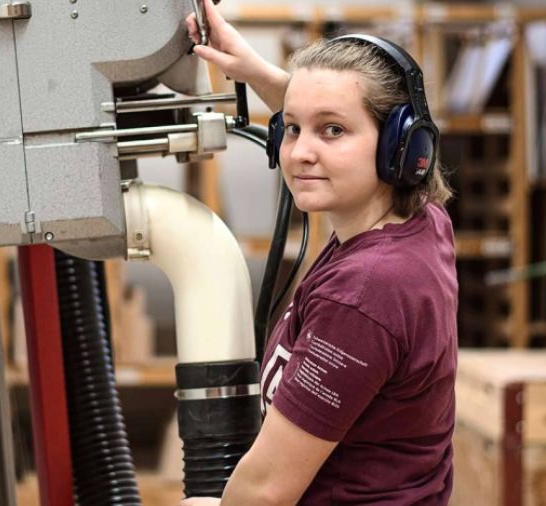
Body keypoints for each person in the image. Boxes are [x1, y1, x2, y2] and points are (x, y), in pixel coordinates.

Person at [181, 2, 458, 505]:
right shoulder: (421, 222)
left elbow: (266, 490)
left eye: (332, 131)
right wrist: (253, 69)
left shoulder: (364, 294)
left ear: (398, 147)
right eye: (291, 128)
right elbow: (329, 112)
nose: (300, 153)